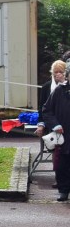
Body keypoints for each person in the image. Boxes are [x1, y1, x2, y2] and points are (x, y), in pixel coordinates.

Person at [35, 59, 70, 201]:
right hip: (62, 133)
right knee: (62, 163)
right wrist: (55, 125)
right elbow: (46, 110)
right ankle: (63, 190)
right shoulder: (59, 91)